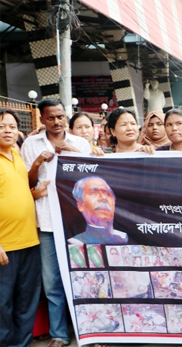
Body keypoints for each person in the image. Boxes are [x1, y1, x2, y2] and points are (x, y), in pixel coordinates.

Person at [21, 98, 96, 347]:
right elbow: (28, 182)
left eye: (60, 117)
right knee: (52, 281)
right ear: (41, 119)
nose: (56, 122)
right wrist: (38, 162)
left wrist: (74, 155)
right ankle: (59, 334)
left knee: (84, 277)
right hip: (47, 221)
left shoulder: (80, 143)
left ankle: (90, 330)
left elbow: (93, 177)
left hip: (77, 220)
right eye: (50, 117)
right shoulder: (32, 144)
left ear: (67, 116)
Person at [0, 109, 45, 347]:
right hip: (5, 247)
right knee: (2, 304)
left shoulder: (16, 155)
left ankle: (23, 344)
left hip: (30, 242)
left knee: (26, 301)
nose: (7, 130)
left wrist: (36, 193)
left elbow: (20, 189)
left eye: (11, 126)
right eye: (1, 126)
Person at [68, 176, 128, 245]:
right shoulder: (76, 242)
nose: (103, 198)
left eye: (106, 193)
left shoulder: (124, 237)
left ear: (114, 202)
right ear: (81, 205)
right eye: (93, 192)